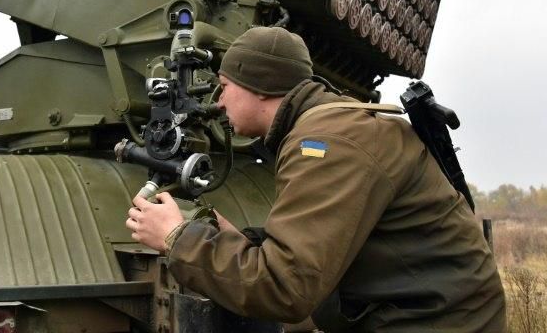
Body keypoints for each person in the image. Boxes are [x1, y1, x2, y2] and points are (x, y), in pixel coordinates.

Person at [126, 26, 506, 332]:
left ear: (259, 85)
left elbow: (284, 289)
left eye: (225, 86)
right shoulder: (335, 124)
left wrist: (177, 239)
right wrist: (247, 241)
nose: (219, 102)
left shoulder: (326, 142)